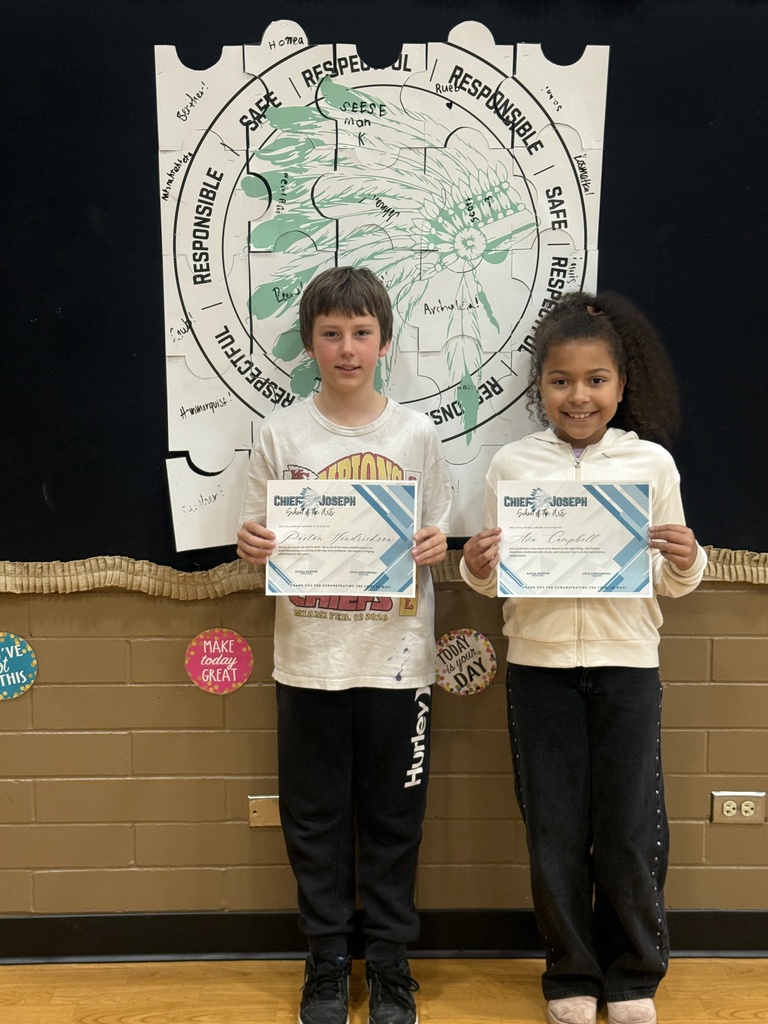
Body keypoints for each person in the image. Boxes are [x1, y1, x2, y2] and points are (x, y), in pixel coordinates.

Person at [460, 292, 706, 1024]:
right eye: (562, 380)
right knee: (555, 827)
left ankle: (632, 974)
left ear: (621, 386)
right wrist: (475, 564)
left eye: (596, 379)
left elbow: (673, 579)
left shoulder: (651, 465)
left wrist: (688, 558)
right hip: (538, 669)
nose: (579, 395)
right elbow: (491, 577)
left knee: (628, 826)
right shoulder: (510, 465)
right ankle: (569, 970)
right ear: (541, 386)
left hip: (627, 663)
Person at [237, 265, 452, 1024]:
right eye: (332, 334)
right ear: (310, 344)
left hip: (399, 664)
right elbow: (254, 537)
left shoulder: (417, 434)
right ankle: (327, 959)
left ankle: (390, 962)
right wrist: (254, 545)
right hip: (308, 661)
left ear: (385, 341)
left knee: (394, 818)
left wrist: (432, 547)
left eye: (362, 333)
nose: (347, 348)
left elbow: (437, 531)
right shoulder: (282, 433)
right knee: (314, 816)